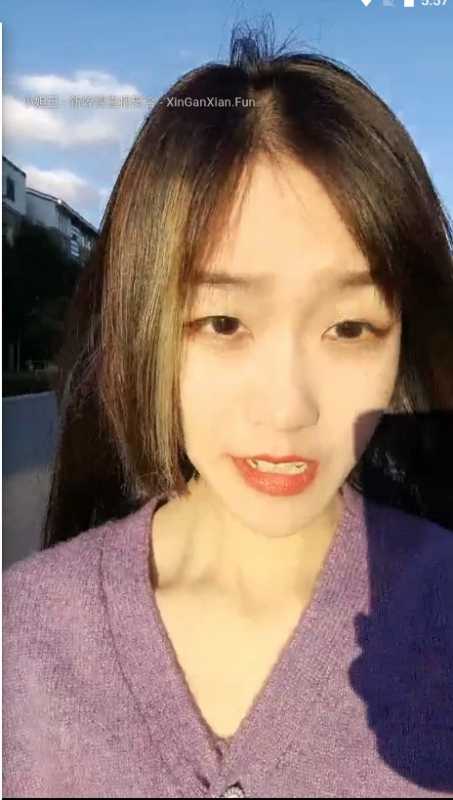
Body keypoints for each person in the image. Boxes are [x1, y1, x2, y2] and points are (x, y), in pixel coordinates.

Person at [3, 18, 453, 799]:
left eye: (349, 328)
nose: (286, 410)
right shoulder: (25, 636)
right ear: (142, 324)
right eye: (221, 323)